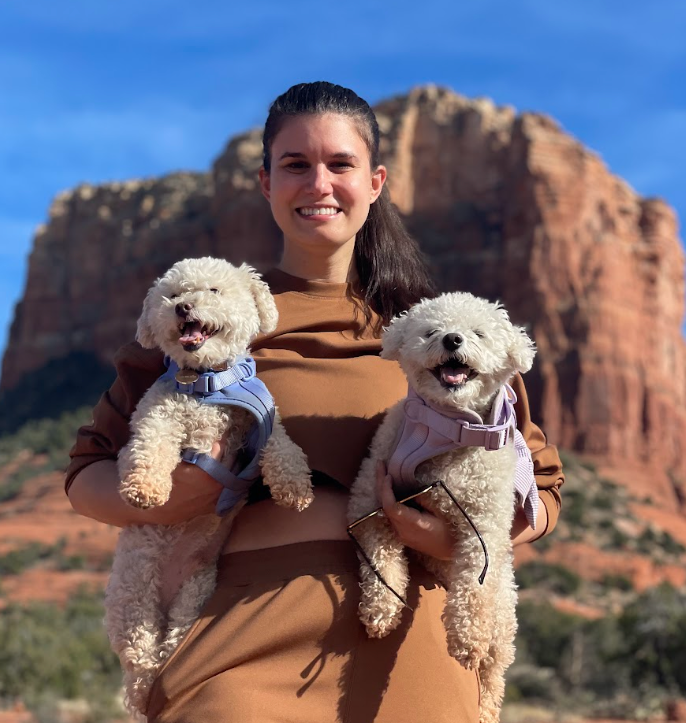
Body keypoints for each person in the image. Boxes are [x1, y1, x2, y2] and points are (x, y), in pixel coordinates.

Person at [66, 81, 564, 723]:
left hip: (409, 641)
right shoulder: (208, 318)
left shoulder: (438, 335)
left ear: (377, 180)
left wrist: (453, 539)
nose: (318, 184)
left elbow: (541, 487)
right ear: (265, 182)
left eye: (340, 164)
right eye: (295, 165)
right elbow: (86, 475)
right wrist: (181, 495)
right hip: (234, 633)